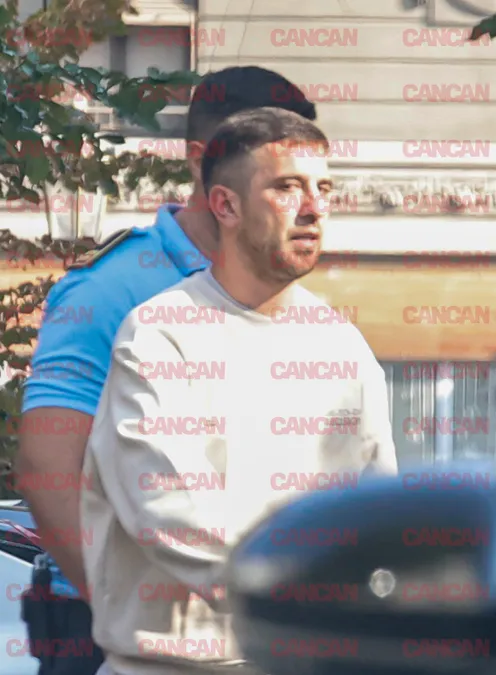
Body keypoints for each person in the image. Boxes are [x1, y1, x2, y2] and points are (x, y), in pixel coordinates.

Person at [14, 66, 318, 675]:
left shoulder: (291, 304)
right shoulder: (112, 289)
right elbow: (47, 470)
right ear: (202, 162)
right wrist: (126, 617)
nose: (300, 203)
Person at [81, 107, 397, 675]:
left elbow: (377, 509)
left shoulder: (343, 346)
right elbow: (169, 509)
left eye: (324, 189)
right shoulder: (160, 336)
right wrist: (304, 590)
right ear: (225, 206)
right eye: (287, 188)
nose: (314, 208)